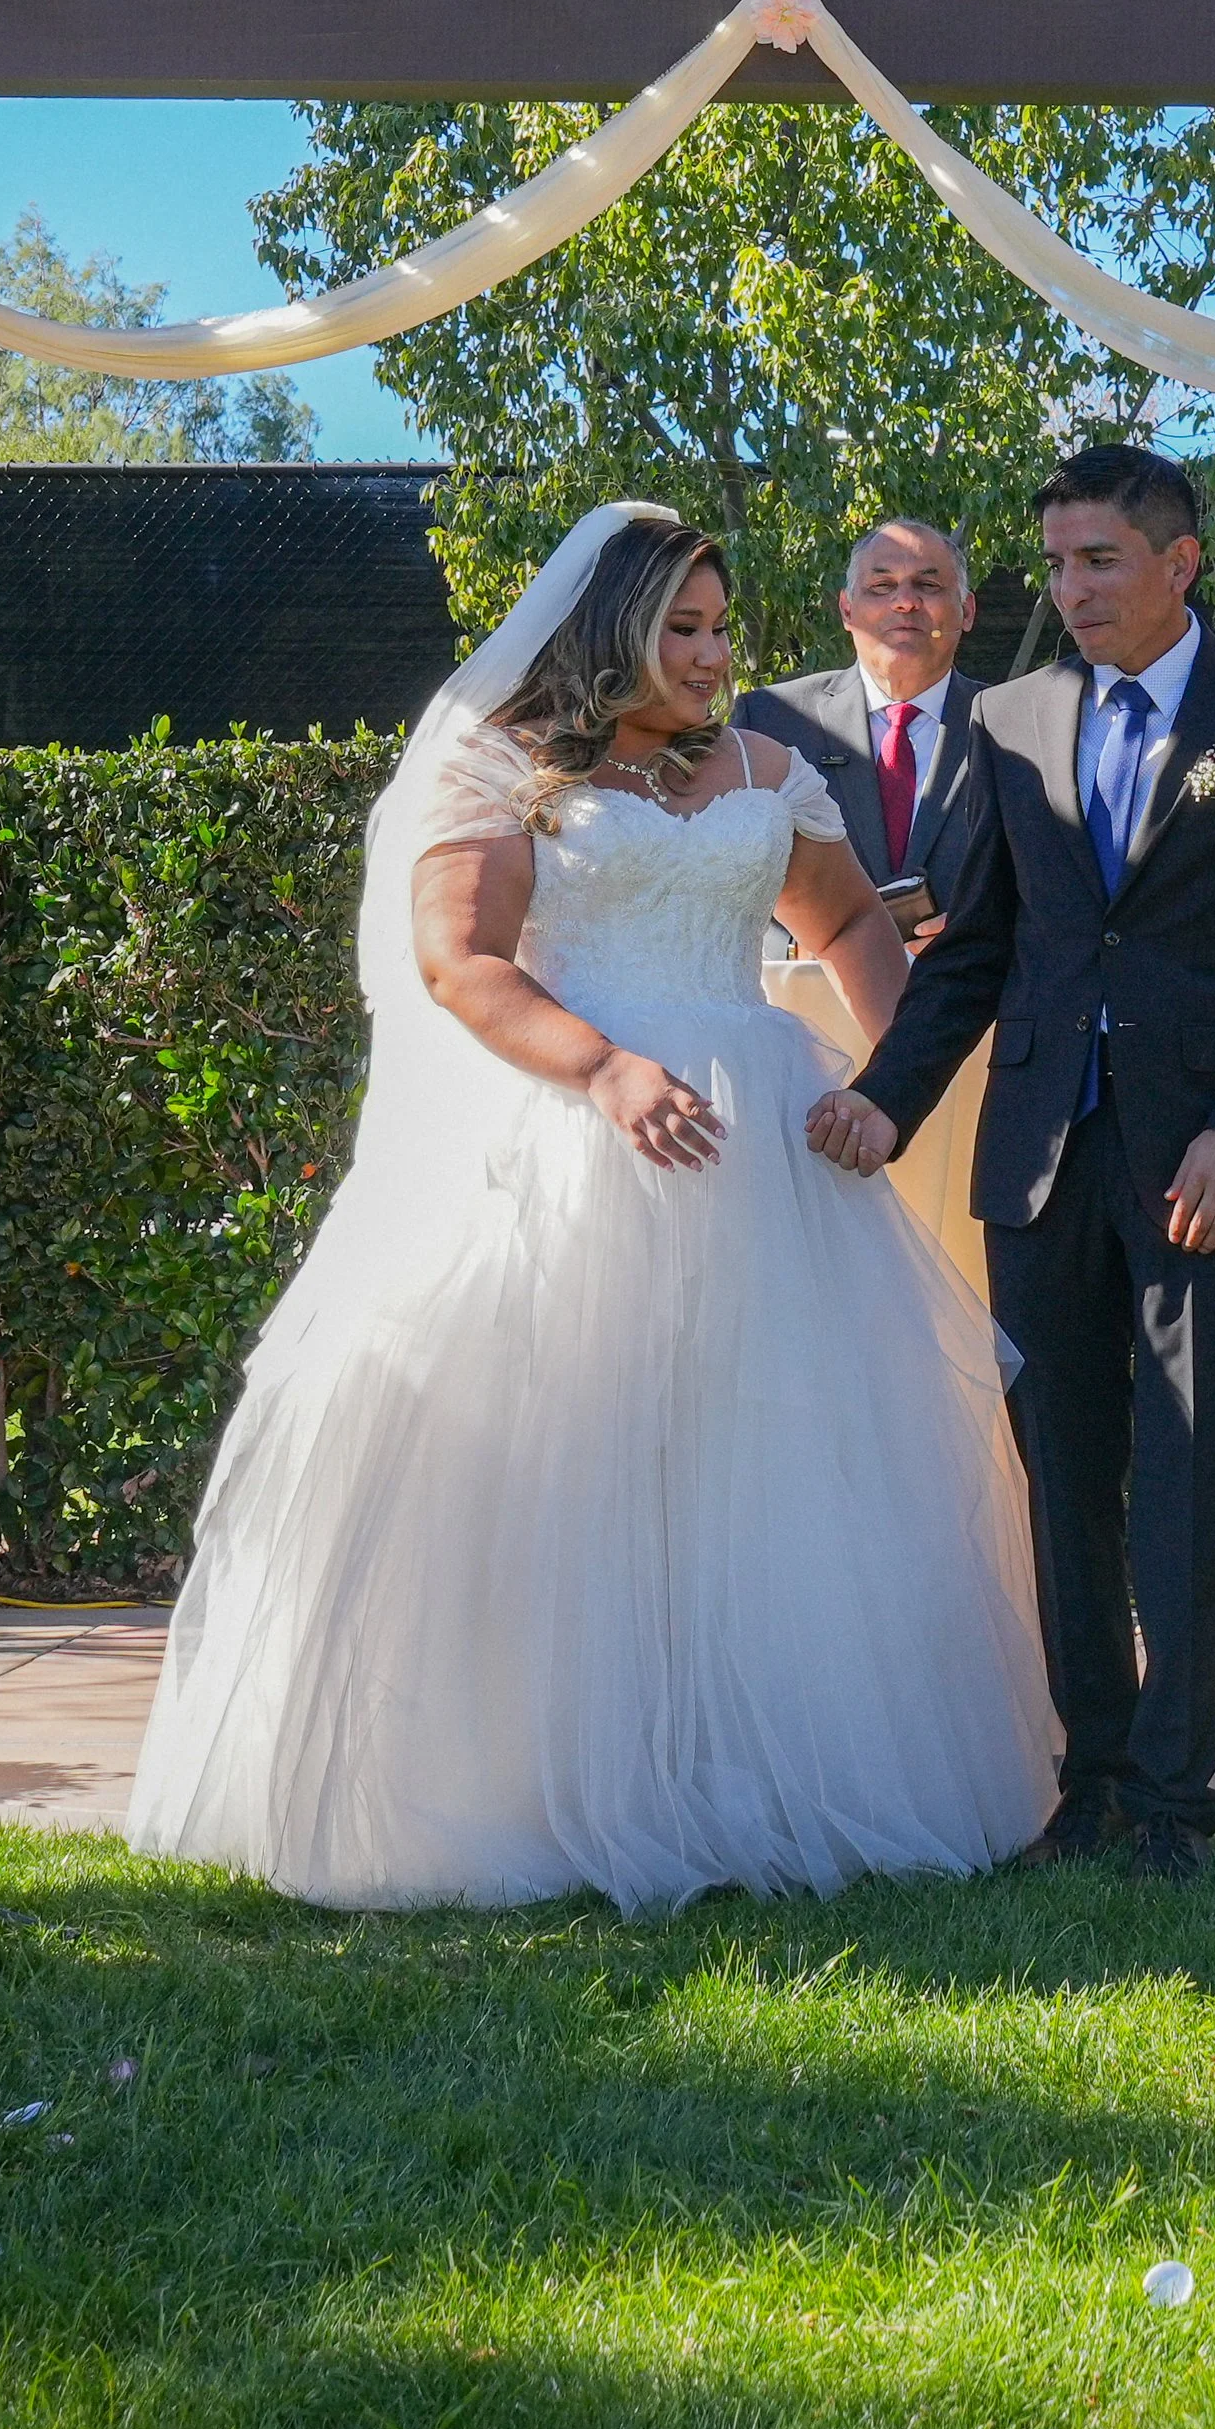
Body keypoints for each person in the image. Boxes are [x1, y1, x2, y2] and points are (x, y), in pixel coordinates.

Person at [127, 502, 1055, 1914]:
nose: (708, 651)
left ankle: (749, 1769)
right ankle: (547, 1779)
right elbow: (461, 960)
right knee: (578, 1457)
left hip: (760, 1157)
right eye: (679, 626)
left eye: (718, 625)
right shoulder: (506, 769)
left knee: (769, 1462)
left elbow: (855, 922)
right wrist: (606, 1068)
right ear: (606, 627)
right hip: (569, 1132)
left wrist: (894, 1083)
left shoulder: (763, 765)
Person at [808, 445, 1215, 1883]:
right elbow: (982, 949)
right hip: (1037, 1161)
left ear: (1179, 560)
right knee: (1061, 1476)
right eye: (1058, 563)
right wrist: (887, 1095)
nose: (1069, 589)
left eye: (1100, 560)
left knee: (1184, 1475)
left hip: (1202, 1169)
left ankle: (1177, 1808)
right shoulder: (1007, 720)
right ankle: (1095, 1781)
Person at [737, 518, 985, 930]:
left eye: (927, 585)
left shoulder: (1014, 727)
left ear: (967, 610)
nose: (905, 603)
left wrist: (977, 939)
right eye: (882, 587)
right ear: (847, 610)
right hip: (806, 988)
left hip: (966, 988)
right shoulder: (769, 721)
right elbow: (730, 886)